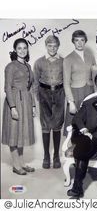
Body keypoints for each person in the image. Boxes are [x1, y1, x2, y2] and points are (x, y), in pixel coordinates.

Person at [2, 38, 35, 175]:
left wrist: (33, 105)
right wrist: (12, 107)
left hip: (26, 102)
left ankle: (21, 163)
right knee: (14, 133)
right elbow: (7, 88)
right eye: (19, 48)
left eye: (25, 48)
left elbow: (31, 87)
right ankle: (16, 165)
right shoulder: (11, 66)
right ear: (15, 50)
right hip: (15, 101)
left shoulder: (28, 65)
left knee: (22, 133)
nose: (22, 50)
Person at [34, 35, 65, 169]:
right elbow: (35, 82)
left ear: (58, 46)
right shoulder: (39, 62)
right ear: (46, 46)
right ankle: (46, 156)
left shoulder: (63, 61)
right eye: (50, 46)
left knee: (57, 123)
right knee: (45, 125)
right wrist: (37, 97)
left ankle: (56, 156)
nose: (52, 48)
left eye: (55, 46)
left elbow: (66, 79)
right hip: (44, 93)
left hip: (59, 92)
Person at [63, 30, 96, 135]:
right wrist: (71, 102)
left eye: (82, 40)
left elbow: (95, 77)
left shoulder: (91, 56)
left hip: (90, 92)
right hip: (75, 93)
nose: (80, 43)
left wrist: (96, 95)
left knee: (90, 122)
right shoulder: (68, 59)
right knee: (74, 124)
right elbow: (66, 83)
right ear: (73, 41)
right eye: (77, 40)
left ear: (85, 41)